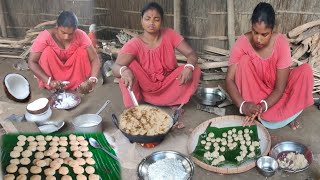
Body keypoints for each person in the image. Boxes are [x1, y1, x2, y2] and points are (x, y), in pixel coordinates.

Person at [226, 2, 314, 130]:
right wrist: (243, 105)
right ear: (251, 27)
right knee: (244, 61)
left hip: (277, 92)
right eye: (255, 32)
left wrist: (262, 106)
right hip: (255, 92)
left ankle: (285, 114)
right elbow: (229, 79)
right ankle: (257, 112)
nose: (258, 39)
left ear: (272, 30)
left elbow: (279, 89)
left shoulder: (281, 43)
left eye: (264, 34)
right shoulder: (242, 43)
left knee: (305, 71)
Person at [112, 2, 201, 108]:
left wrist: (189, 67)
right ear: (141, 20)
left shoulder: (169, 34)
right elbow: (115, 67)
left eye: (156, 19)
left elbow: (191, 54)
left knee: (194, 69)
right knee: (128, 66)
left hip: (168, 84)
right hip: (146, 88)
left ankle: (169, 99)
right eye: (147, 18)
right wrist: (123, 71)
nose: (151, 23)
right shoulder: (134, 44)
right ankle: (141, 100)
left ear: (161, 21)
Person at [28, 11, 100, 93]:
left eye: (71, 34)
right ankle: (54, 86)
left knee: (82, 52)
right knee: (47, 52)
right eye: (63, 32)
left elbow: (94, 58)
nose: (66, 37)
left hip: (75, 73)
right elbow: (32, 62)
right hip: (53, 77)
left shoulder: (81, 35)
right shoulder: (45, 36)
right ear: (57, 26)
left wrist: (93, 78)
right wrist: (49, 81)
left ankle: (79, 84)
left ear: (76, 29)